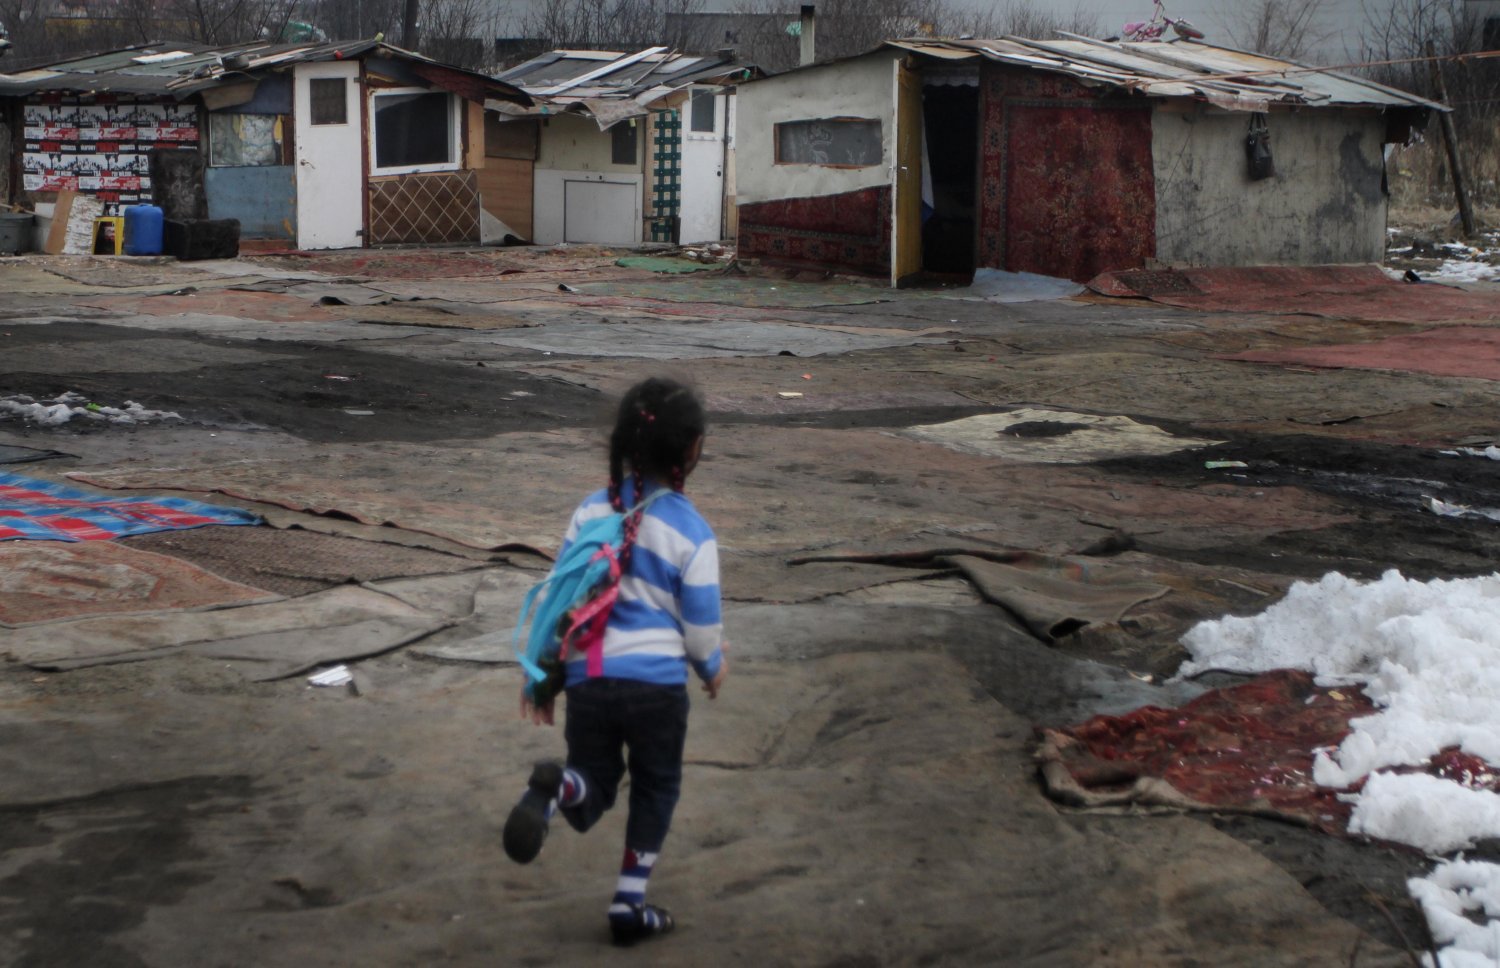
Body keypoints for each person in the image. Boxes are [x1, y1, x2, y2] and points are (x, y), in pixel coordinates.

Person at [503, 376, 727, 947]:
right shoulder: (692, 532)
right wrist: (711, 667)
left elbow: (561, 594)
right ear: (693, 448)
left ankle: (560, 791)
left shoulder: (588, 511)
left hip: (591, 680)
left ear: (623, 441)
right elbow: (700, 629)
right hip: (656, 687)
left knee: (596, 778)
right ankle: (630, 903)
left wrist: (548, 675)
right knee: (656, 787)